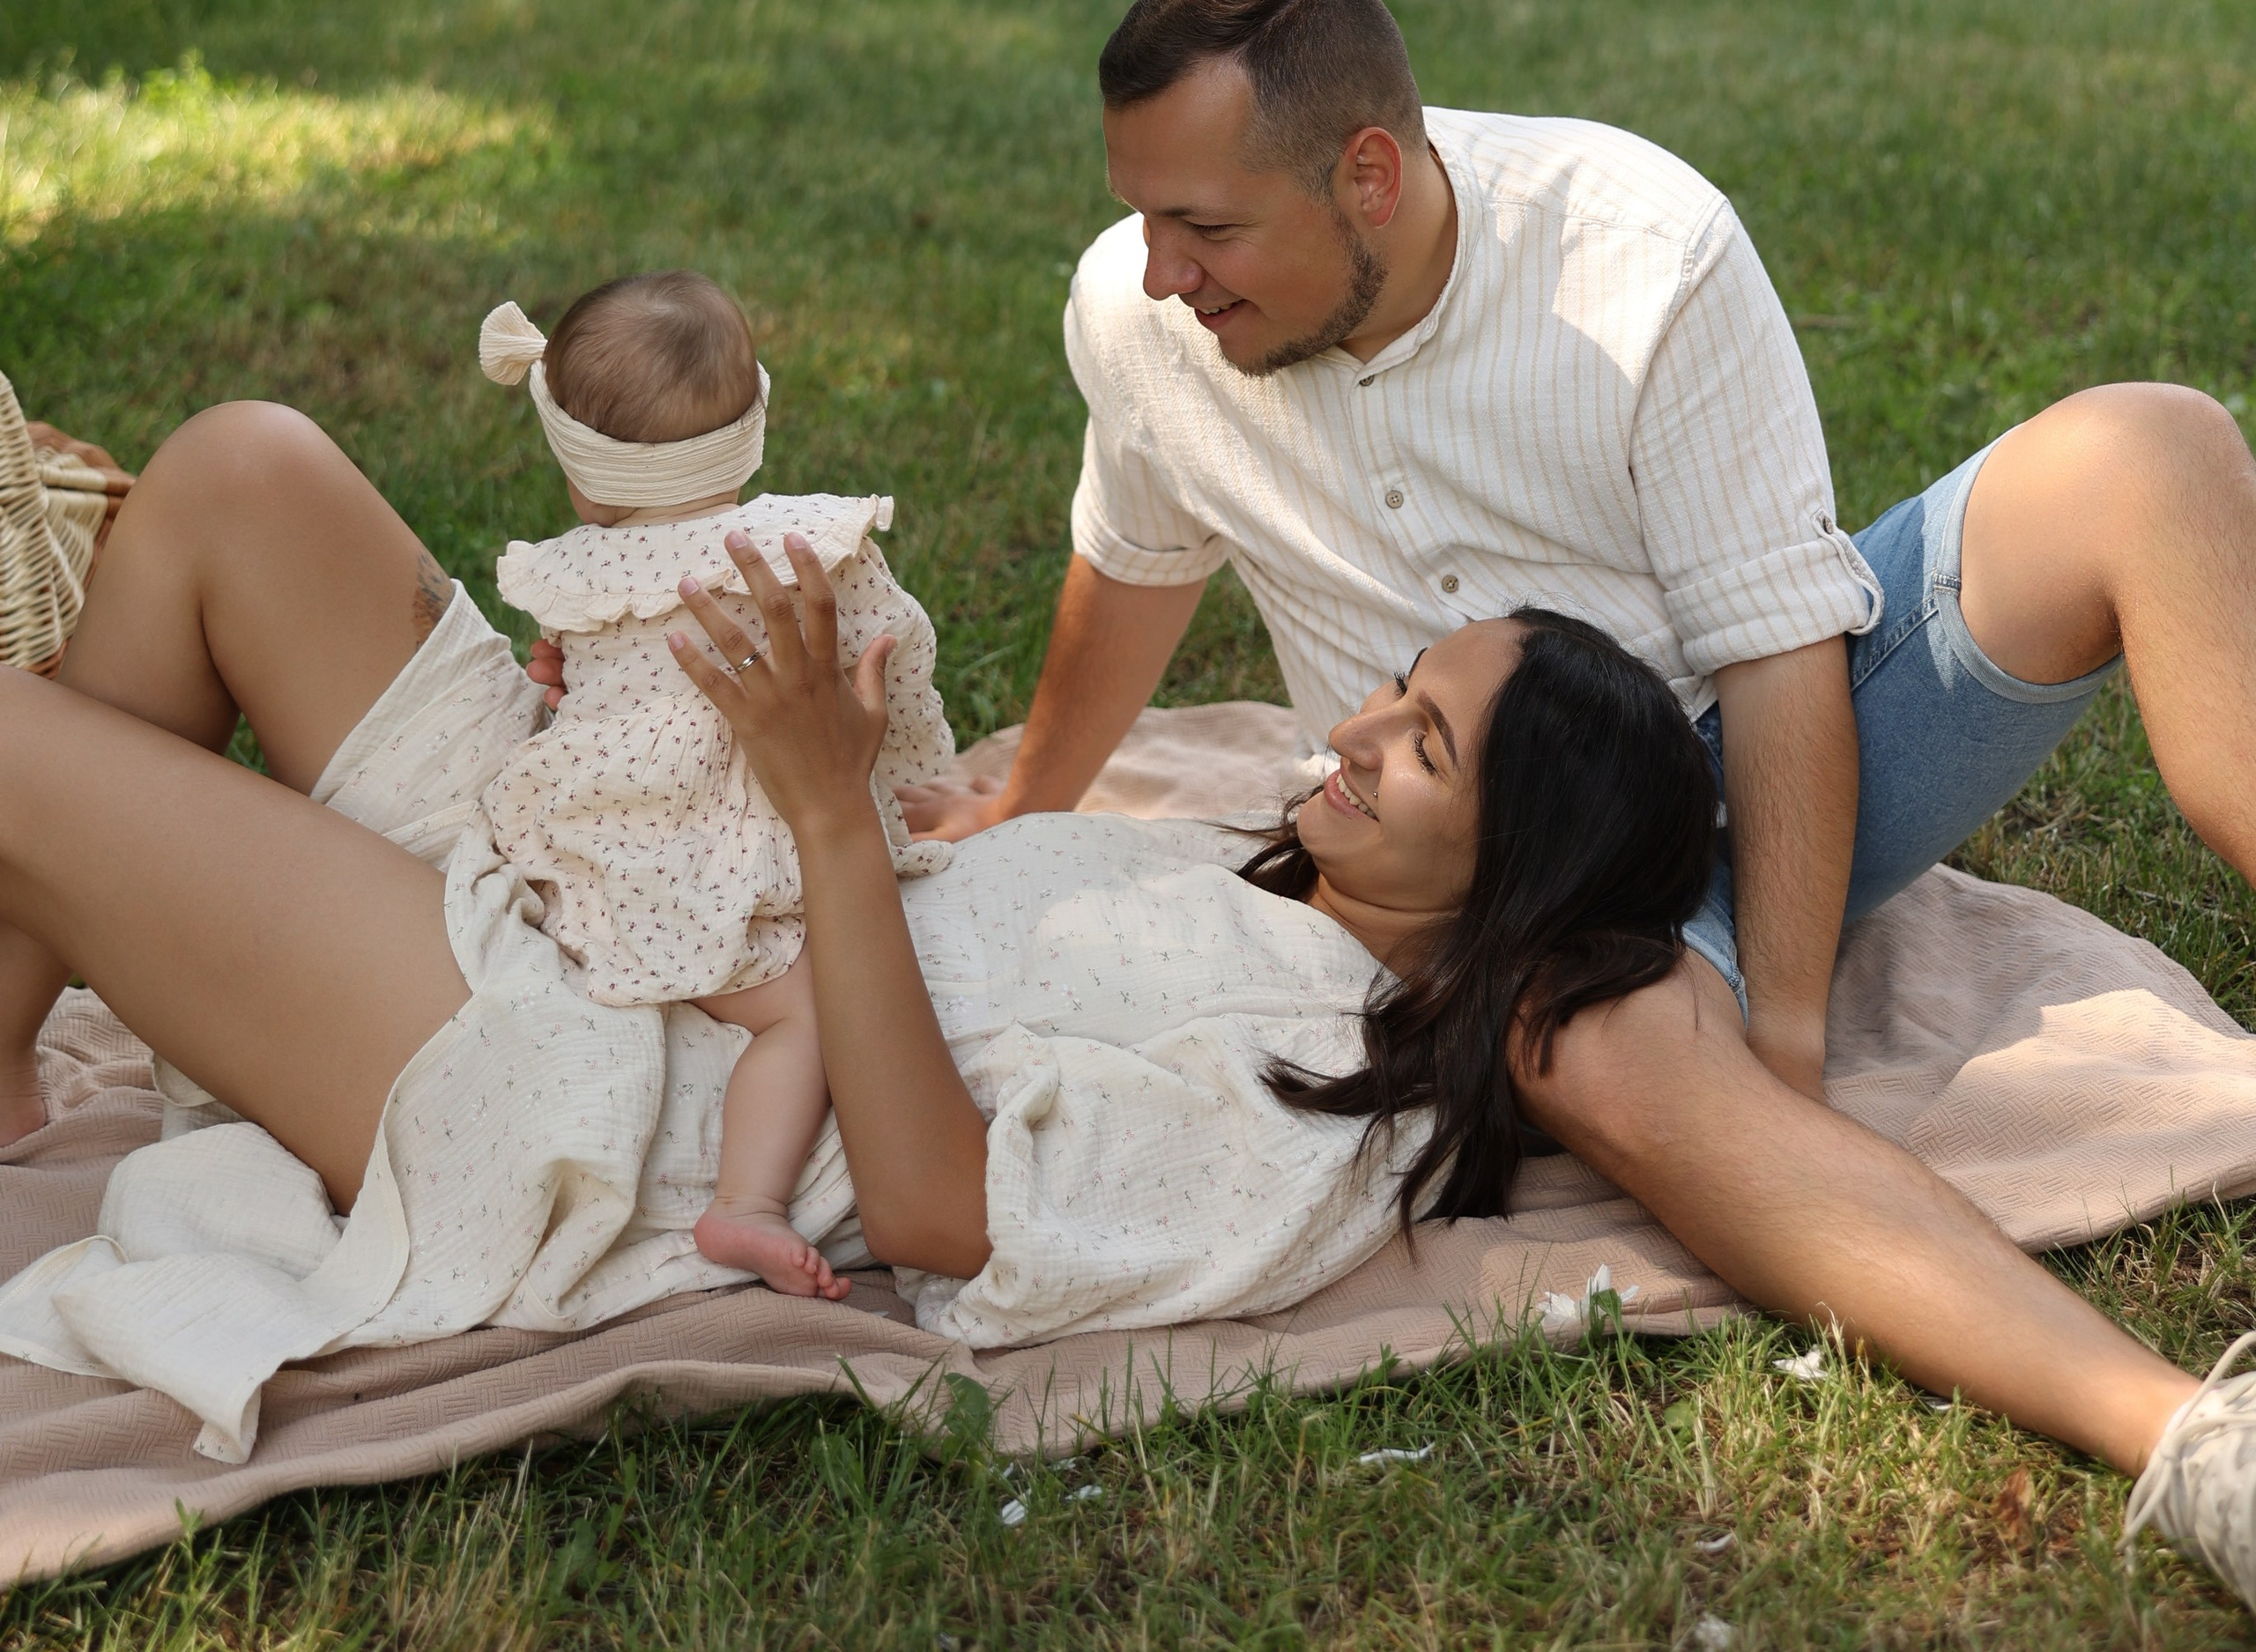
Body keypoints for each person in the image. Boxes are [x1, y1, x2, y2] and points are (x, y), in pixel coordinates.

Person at [0, 404, 2253, 1602]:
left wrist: (815, 823)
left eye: (1421, 747)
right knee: (238, 473)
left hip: (562, 1072)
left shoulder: (1306, 1108)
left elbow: (941, 1210)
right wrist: (772, 750)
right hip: (615, 897)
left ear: (1513, 889)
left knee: (23, 753)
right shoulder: (1231, 874)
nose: (1352, 731)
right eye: (1395, 688)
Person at [897, 0, 2256, 1137]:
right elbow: (1137, 561)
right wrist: (1027, 805)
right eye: (1142, 215)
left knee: (2153, 449)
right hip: (1512, 867)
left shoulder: (1637, 249)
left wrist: (1785, 1034)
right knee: (1583, 1050)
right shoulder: (1142, 319)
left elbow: (1781, 648)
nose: (1159, 273)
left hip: (1763, 742)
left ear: (1369, 174)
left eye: (1203, 226)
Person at [475, 267, 952, 1296]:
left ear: (582, 472)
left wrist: (568, 693)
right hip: (738, 850)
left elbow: (594, 693)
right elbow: (888, 660)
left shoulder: (579, 575)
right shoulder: (810, 549)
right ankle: (744, 1205)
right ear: (754, 426)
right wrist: (909, 775)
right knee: (808, 1014)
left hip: (614, 845)